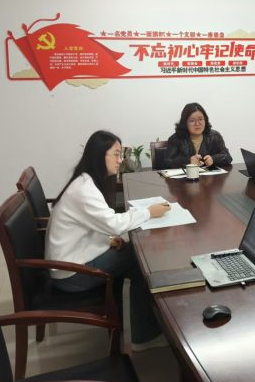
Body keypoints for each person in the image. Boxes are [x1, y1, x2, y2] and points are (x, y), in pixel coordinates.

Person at [45, 130, 171, 350]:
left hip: (72, 260)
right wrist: (149, 212)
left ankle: (139, 327)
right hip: (71, 274)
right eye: (116, 154)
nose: (120, 160)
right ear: (99, 155)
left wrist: (108, 240)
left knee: (134, 254)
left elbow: (95, 224)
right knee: (141, 260)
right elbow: (113, 223)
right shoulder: (84, 189)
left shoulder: (85, 181)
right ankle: (145, 336)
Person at [165, 102, 232, 168]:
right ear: (185, 123)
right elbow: (168, 161)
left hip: (210, 175)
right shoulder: (175, 139)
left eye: (200, 119)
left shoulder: (215, 136)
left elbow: (228, 157)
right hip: (186, 175)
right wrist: (189, 161)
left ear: (205, 120)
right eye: (192, 120)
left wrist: (214, 159)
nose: (197, 124)